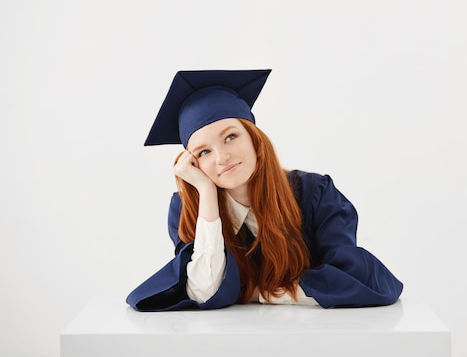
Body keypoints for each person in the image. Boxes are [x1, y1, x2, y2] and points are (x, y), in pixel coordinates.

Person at [126, 69, 403, 311]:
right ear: (193, 163)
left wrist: (265, 294)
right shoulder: (188, 208)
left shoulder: (316, 195)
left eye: (231, 136)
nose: (221, 157)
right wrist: (206, 193)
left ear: (255, 139)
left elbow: (355, 280)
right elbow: (203, 291)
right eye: (204, 151)